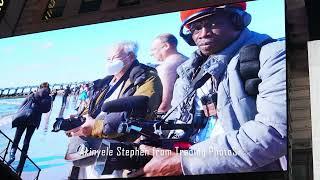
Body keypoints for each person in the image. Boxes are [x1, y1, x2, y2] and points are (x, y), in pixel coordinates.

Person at [133, 2, 287, 177]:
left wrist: (184, 162)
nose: (203, 33)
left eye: (212, 23)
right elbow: (177, 126)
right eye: (196, 28)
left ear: (237, 20)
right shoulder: (188, 74)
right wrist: (151, 139)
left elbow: (273, 133)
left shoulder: (273, 56)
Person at [66, 41, 163, 178]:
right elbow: (92, 109)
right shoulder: (107, 82)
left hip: (116, 152)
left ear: (130, 57)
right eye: (108, 59)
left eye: (114, 58)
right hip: (88, 149)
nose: (110, 62)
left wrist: (94, 127)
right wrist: (78, 122)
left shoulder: (146, 78)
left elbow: (138, 111)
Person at [8, 82, 52, 175]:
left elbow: (22, 105)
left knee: (17, 137)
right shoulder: (48, 97)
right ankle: (21, 165)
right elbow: (46, 110)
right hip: (34, 120)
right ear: (48, 88)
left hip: (24, 117)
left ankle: (11, 155)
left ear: (40, 87)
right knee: (26, 141)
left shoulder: (33, 93)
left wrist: (18, 115)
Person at [150, 33, 188, 113]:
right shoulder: (188, 60)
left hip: (173, 116)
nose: (151, 54)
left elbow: (166, 102)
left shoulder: (167, 67)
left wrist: (157, 117)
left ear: (166, 46)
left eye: (154, 49)